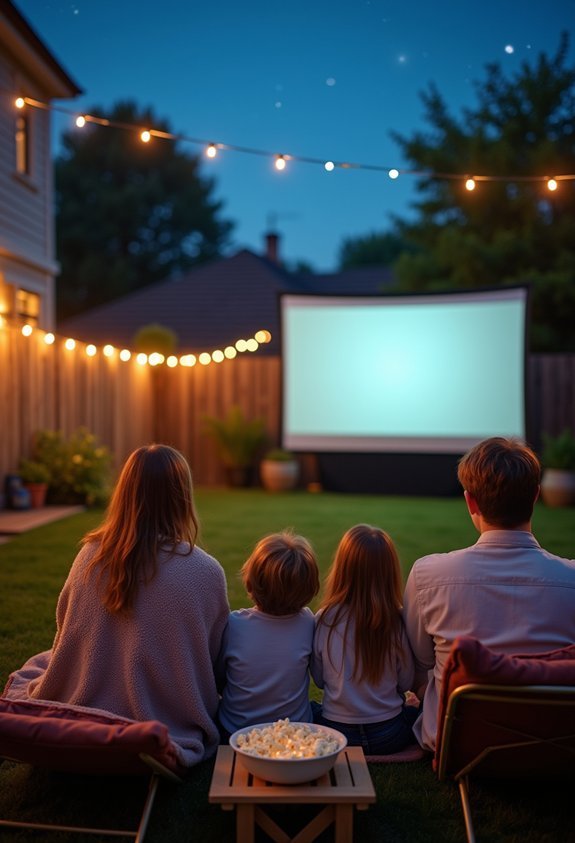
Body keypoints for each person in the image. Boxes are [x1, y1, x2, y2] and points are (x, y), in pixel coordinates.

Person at [4, 444, 229, 767]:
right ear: (183, 497)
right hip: (156, 729)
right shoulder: (205, 571)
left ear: (124, 492)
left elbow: (66, 632)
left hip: (74, 716)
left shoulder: (88, 556)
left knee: (43, 660)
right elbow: (212, 662)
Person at [403, 436, 575, 752]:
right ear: (535, 496)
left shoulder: (428, 575)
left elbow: (419, 663)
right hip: (558, 743)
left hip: (459, 743)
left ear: (470, 501)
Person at [311, 524, 419, 755]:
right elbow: (406, 682)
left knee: (308, 711)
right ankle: (406, 752)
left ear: (343, 568)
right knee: (421, 713)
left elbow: (319, 680)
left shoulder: (325, 619)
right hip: (389, 734)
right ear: (389, 572)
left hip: (335, 733)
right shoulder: (396, 621)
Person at [216, 531, 319, 738]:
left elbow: (219, 678)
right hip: (293, 732)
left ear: (251, 581)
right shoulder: (308, 622)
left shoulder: (234, 624)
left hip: (235, 731)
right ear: (309, 588)